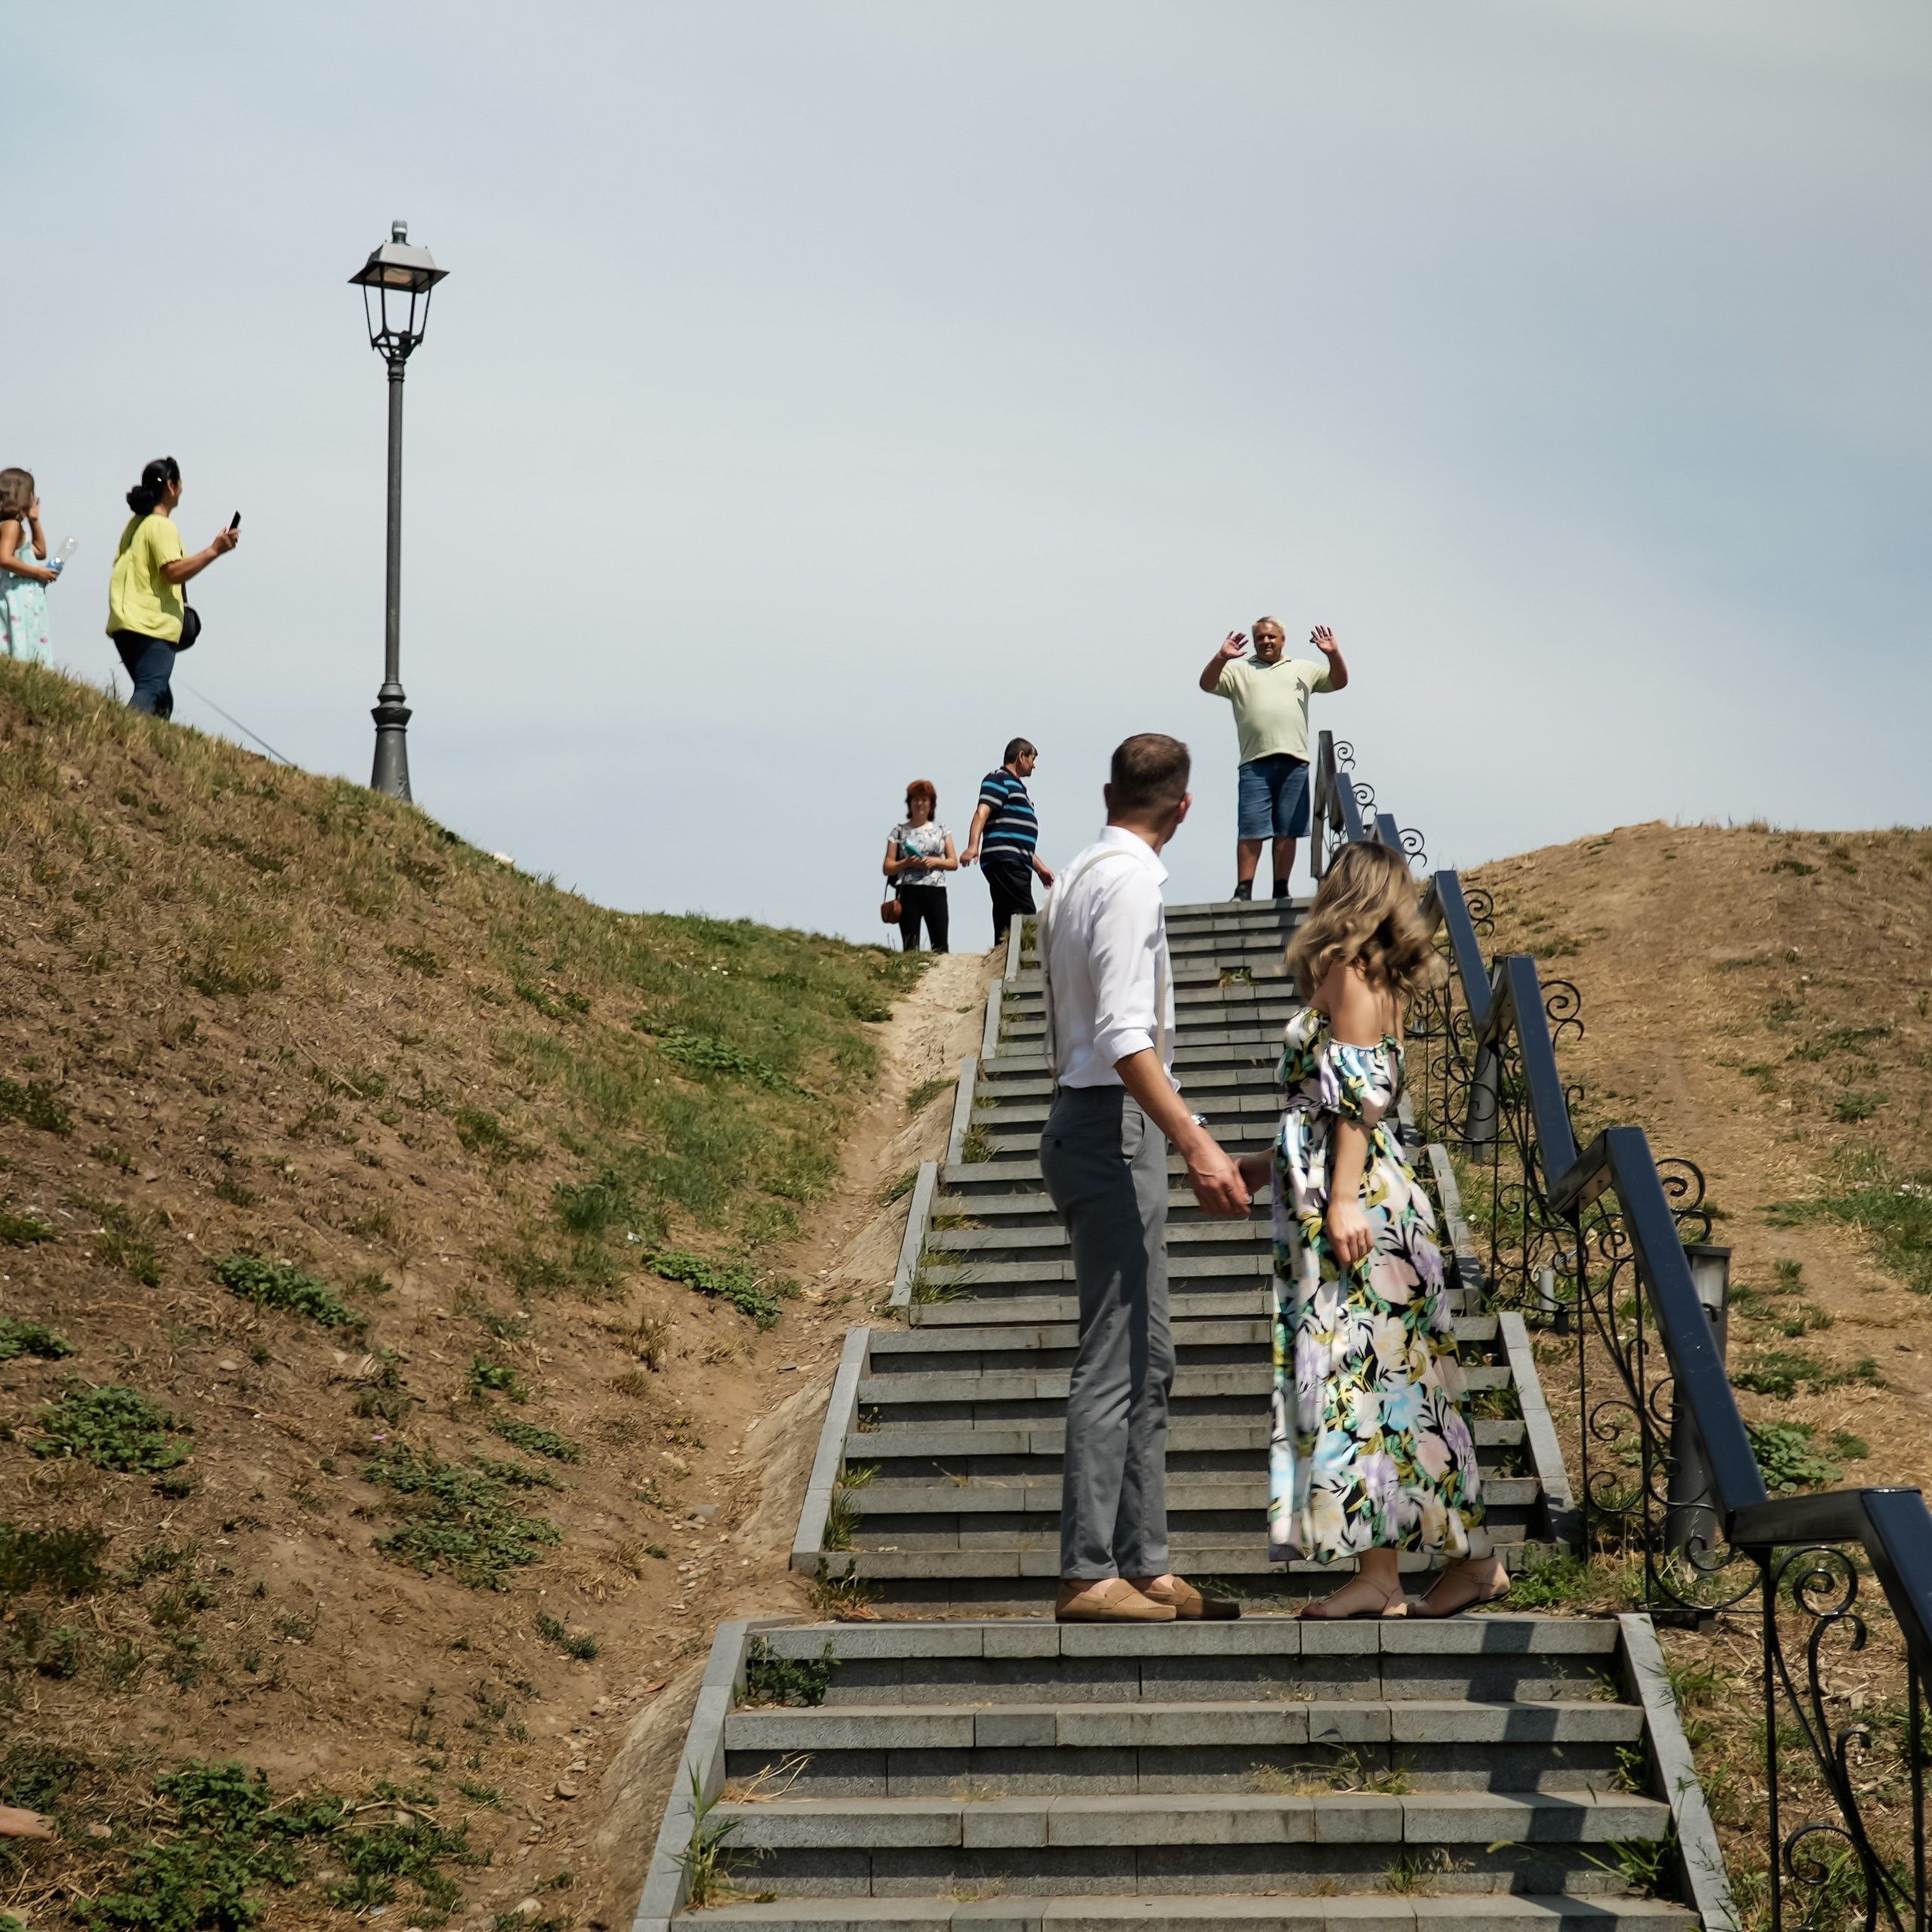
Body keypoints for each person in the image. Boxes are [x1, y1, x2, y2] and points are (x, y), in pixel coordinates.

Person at [1238, 839, 1504, 1619]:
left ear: (1344, 889)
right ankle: (1419, 1569)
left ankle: (1429, 1567)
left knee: (1364, 1380)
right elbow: (1330, 1108)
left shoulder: (1352, 973)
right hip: (1356, 1192)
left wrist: (1343, 1199)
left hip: (1361, 1202)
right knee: (1385, 1386)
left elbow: (1357, 1099)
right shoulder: (1367, 976)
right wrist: (1266, 1166)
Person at [1039, 733, 1251, 1625]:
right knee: (1117, 1352)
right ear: (1184, 807)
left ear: (1108, 793)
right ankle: (1089, 1572)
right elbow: (1124, 1034)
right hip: (1108, 1125)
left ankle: (1143, 1562)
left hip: (1091, 1119)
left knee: (1148, 1353)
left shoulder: (1076, 876)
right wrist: (1194, 1141)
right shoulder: (1127, 884)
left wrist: (1188, 1139)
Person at [1198, 617, 1349, 900]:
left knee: (1287, 829)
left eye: (1271, 637)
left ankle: (1281, 889)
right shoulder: (1239, 670)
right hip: (1255, 761)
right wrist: (1221, 657)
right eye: (1261, 638)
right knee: (1251, 828)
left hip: (1294, 759)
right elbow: (1207, 684)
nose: (1266, 641)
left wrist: (1333, 654)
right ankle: (1244, 890)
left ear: (1283, 640)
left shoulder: (1302, 668)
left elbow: (1338, 681)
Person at [106, 457, 238, 718]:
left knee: (162, 702)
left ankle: (139, 740)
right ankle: (116, 734)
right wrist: (214, 551)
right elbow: (173, 572)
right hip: (151, 623)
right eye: (180, 483)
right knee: (151, 688)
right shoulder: (161, 525)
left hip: (124, 623)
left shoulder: (135, 525)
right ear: (171, 485)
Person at [961, 737, 1055, 948]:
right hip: (1006, 860)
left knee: (1005, 914)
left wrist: (1039, 868)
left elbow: (1016, 838)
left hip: (1015, 860)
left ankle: (1002, 956)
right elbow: (982, 812)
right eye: (1032, 759)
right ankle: (1028, 959)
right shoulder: (999, 779)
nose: (1034, 765)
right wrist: (973, 846)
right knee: (1025, 913)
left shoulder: (1018, 788)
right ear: (1021, 756)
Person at [882, 780, 957, 952]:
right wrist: (906, 863)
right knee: (910, 943)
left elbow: (953, 862)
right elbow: (887, 866)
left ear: (931, 804)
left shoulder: (942, 830)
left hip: (935, 889)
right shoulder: (898, 832)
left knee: (940, 944)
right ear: (909, 803)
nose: (920, 804)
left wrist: (934, 861)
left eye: (924, 800)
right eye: (916, 800)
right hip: (908, 890)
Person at [0, 468, 57, 665]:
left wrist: (34, 520)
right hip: (16, 595)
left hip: (20, 595)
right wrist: (37, 572)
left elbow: (39, 551)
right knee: (21, 641)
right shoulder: (11, 524)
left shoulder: (12, 525)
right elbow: (4, 558)